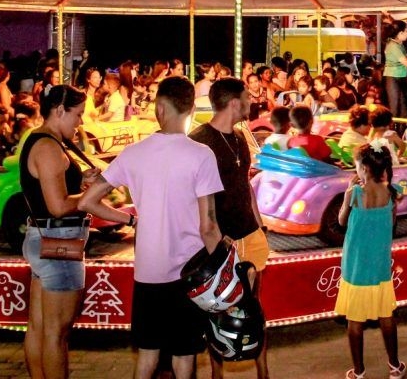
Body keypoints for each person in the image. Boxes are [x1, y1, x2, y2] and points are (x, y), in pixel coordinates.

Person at [78, 77, 223, 379]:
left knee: (147, 357)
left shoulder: (134, 153)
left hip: (148, 271)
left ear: (158, 108)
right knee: (184, 357)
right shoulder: (201, 155)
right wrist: (224, 268)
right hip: (190, 273)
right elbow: (208, 226)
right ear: (191, 109)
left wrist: (130, 220)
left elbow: (87, 202)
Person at [20, 85, 108, 379]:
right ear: (59, 111)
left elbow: (52, 191)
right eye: (78, 114)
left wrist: (80, 180)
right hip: (59, 242)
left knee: (40, 326)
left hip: (42, 238)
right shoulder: (48, 147)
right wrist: (92, 194)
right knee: (57, 333)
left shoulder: (42, 141)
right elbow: (57, 205)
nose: (80, 122)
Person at [189, 77, 270, 379]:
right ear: (235, 102)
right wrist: (213, 241)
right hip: (218, 244)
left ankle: (263, 371)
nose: (252, 101)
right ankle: (216, 374)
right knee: (218, 310)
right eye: (248, 96)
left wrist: (260, 226)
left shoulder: (240, 138)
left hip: (249, 234)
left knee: (254, 309)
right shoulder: (199, 141)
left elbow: (245, 184)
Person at [334, 139, 407, 379]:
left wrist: (346, 196)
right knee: (387, 316)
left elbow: (341, 222)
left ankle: (359, 371)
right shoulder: (392, 194)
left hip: (355, 267)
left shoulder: (355, 193)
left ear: (364, 169)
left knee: (354, 321)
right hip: (379, 267)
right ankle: (395, 366)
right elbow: (392, 224)